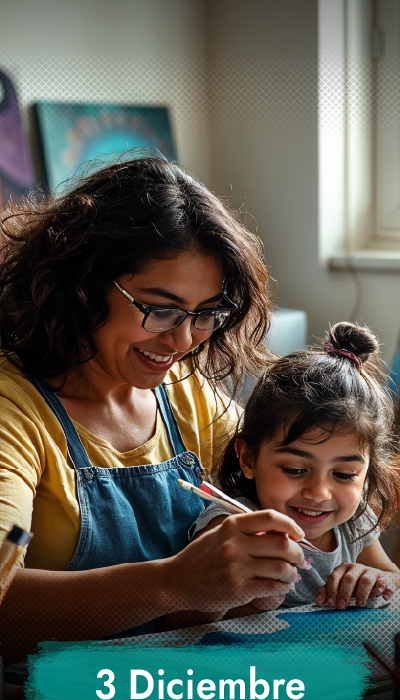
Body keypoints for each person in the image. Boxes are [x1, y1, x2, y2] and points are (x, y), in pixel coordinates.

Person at [0, 155, 307, 663]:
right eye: (159, 308)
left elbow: (279, 490)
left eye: (206, 314)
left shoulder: (185, 393)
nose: (182, 340)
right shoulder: (15, 409)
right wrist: (172, 585)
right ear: (80, 285)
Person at [190, 322, 400, 616]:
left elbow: (391, 578)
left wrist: (378, 579)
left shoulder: (355, 521)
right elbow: (192, 619)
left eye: (344, 475)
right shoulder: (232, 524)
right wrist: (248, 598)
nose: (318, 493)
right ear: (248, 459)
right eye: (294, 469)